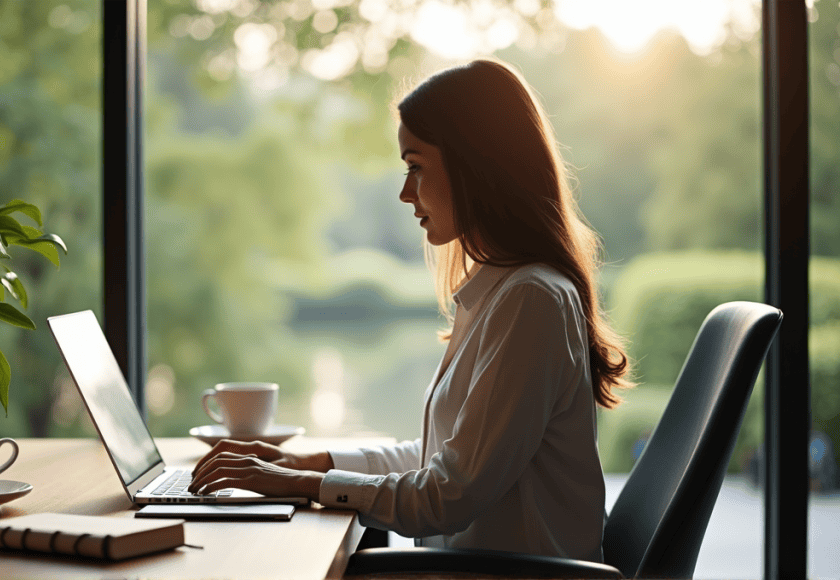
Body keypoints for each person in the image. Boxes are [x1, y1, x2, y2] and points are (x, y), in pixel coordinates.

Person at [187, 58, 632, 561]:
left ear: (475, 166)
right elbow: (439, 459)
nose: (405, 192)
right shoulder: (505, 293)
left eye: (415, 167)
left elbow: (446, 495)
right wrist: (309, 463)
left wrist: (303, 483)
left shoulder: (530, 301)